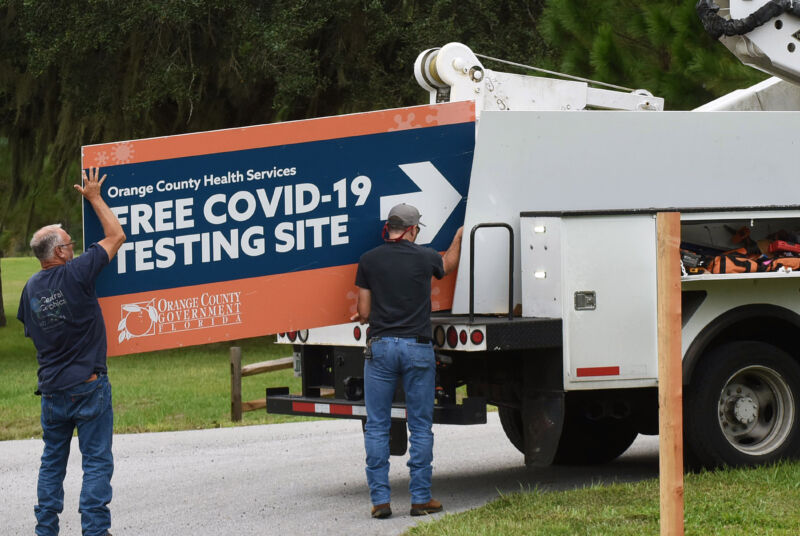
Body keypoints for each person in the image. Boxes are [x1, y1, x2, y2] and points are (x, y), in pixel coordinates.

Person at [18, 167, 126, 536]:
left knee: (52, 464)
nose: (75, 248)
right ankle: (95, 532)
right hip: (88, 385)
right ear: (60, 252)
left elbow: (33, 331)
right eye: (70, 244)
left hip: (52, 391)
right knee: (96, 463)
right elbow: (117, 236)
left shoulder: (30, 290)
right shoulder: (77, 273)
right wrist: (94, 196)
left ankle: (45, 530)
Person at [351, 203, 463, 519]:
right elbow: (449, 264)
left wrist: (367, 315)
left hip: (381, 348)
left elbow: (363, 312)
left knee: (377, 425)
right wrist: (458, 237)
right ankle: (420, 499)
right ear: (413, 229)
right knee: (420, 426)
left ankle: (380, 502)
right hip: (417, 349)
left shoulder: (369, 260)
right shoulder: (425, 256)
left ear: (389, 228)